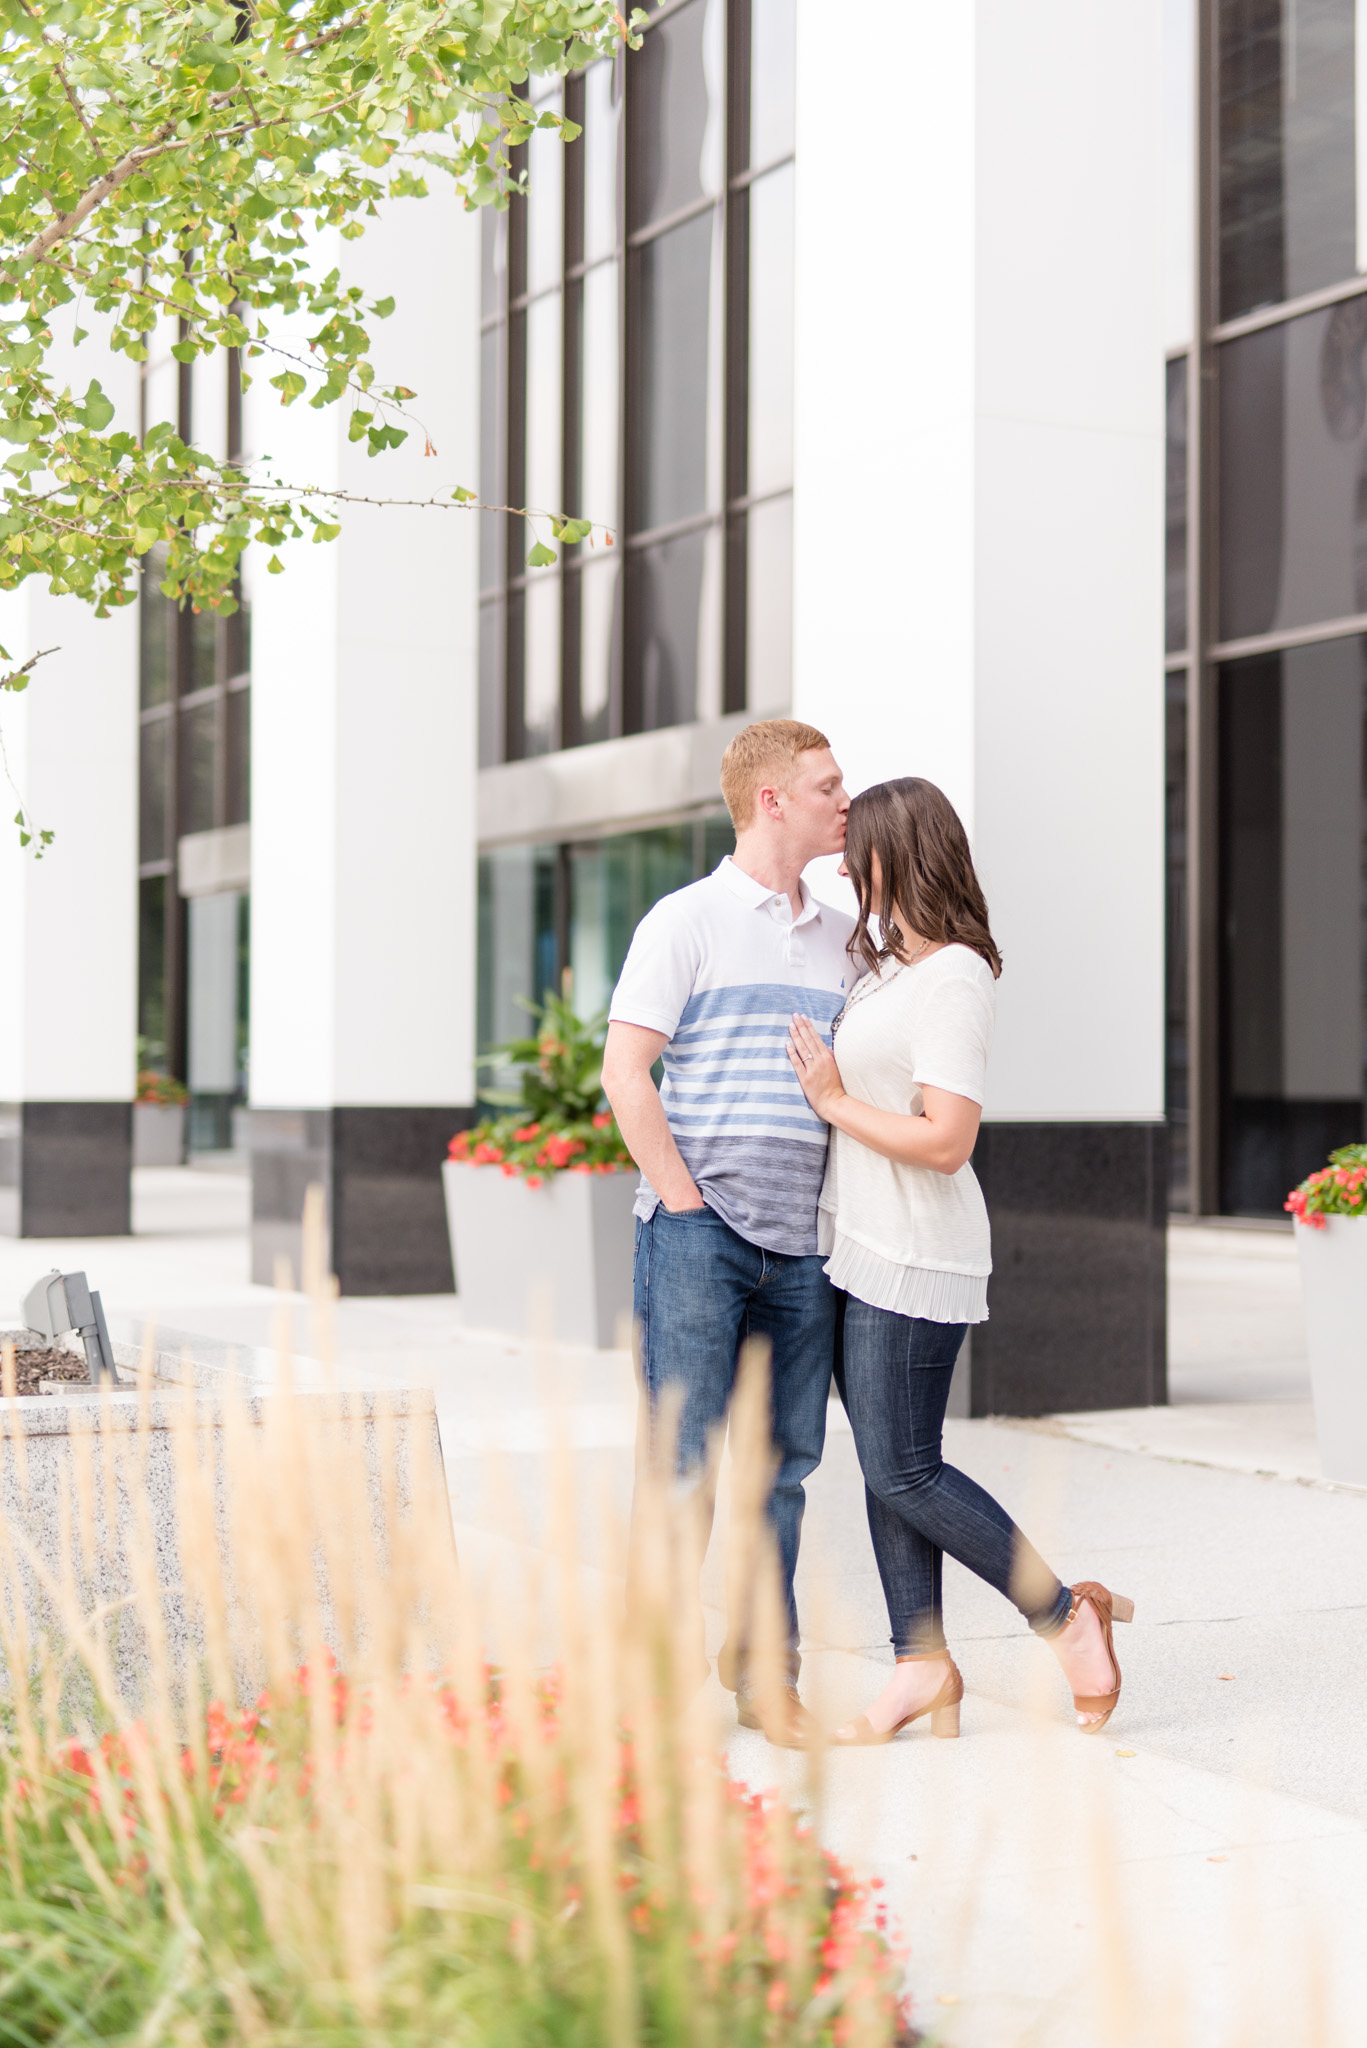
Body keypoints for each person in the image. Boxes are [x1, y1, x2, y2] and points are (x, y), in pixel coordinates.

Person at [785, 777, 1134, 1743]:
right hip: (857, 1245)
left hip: (916, 1251)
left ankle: (1066, 1615)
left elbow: (946, 1139)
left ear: (905, 850)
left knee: (905, 1470)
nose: (848, 862)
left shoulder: (954, 976)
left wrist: (831, 1102)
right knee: (887, 1465)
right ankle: (920, 1662)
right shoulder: (887, 970)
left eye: (862, 846)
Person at [602, 719, 854, 1750]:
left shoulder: (843, 935)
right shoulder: (686, 919)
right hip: (699, 1238)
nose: (846, 799)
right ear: (770, 801)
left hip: (804, 1247)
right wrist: (683, 1197)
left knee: (781, 1470)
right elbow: (625, 1071)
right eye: (827, 785)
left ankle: (764, 1680)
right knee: (682, 1466)